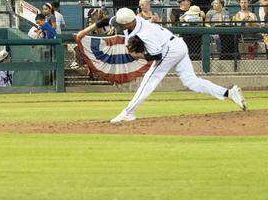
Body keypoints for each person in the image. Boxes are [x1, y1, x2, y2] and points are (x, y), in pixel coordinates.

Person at [80, 8, 246, 122]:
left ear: (128, 24)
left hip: (169, 50)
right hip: (178, 44)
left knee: (148, 81)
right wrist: (84, 32)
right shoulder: (131, 18)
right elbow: (104, 21)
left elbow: (157, 55)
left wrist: (137, 55)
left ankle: (128, 113)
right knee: (191, 82)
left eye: (120, 25)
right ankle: (229, 93)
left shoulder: (144, 33)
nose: (116, 25)